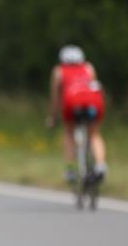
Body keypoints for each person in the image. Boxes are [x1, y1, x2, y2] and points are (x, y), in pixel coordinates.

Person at [46, 45, 107, 182]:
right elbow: (95, 86)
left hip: (71, 103)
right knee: (94, 134)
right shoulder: (89, 67)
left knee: (68, 132)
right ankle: (100, 165)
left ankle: (70, 169)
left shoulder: (58, 71)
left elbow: (55, 98)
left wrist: (53, 117)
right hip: (93, 103)